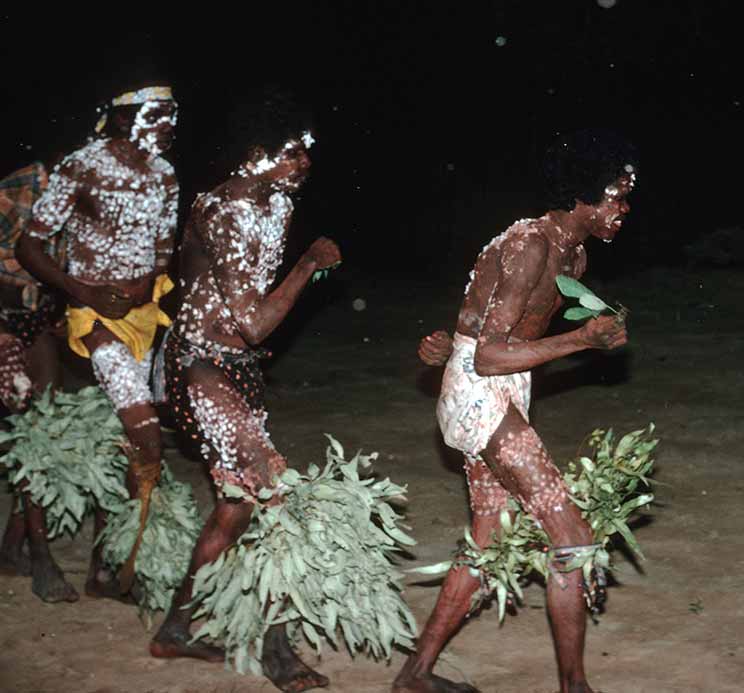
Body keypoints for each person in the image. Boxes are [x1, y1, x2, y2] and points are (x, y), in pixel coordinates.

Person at [394, 130, 635, 693]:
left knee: (488, 538)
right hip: (479, 389)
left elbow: (506, 329)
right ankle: (575, 687)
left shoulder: (575, 251)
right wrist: (582, 342)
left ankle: (416, 674)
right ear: (582, 195)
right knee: (571, 535)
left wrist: (593, 335)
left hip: (505, 386)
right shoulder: (531, 244)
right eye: (616, 196)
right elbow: (486, 351)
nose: (623, 210)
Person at [148, 123, 341, 693]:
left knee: (235, 509)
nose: (305, 161)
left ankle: (176, 628)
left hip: (238, 369)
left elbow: (253, 313)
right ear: (256, 153)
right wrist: (307, 266)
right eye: (292, 151)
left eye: (309, 150)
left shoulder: (275, 204)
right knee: (272, 494)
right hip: (199, 367)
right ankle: (277, 649)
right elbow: (253, 322)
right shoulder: (223, 209)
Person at [16, 84, 179, 599]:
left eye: (175, 116)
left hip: (146, 320)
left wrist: (149, 290)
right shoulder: (83, 166)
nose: (171, 126)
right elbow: (29, 244)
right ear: (128, 117)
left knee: (126, 441)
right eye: (161, 116)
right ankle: (128, 562)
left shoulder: (165, 175)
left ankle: (106, 567)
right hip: (93, 318)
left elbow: (163, 254)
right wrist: (81, 290)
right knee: (147, 436)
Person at [0, 161, 75, 602]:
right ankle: (42, 559)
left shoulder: (89, 198)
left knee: (41, 435)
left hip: (33, 321)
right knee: (30, 435)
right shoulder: (20, 189)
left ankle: (15, 546)